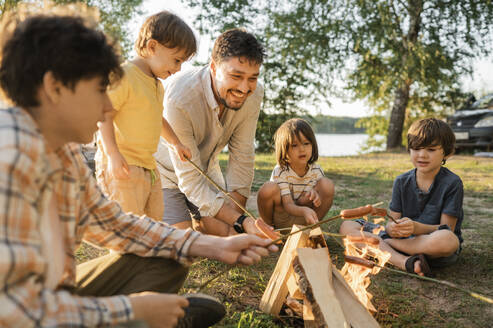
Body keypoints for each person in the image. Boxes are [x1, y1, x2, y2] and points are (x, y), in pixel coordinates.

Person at [0, 13, 277, 328]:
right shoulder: (11, 158)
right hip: (22, 311)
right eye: (99, 89)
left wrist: (215, 245)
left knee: (169, 257)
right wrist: (130, 309)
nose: (108, 108)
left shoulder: (62, 153)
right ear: (55, 87)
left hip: (53, 291)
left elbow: (114, 223)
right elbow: (13, 311)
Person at [155, 28, 266, 236]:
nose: (244, 88)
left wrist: (237, 223)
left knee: (229, 235)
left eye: (253, 78)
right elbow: (189, 180)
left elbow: (242, 154)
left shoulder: (255, 93)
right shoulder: (180, 98)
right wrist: (242, 220)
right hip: (165, 173)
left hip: (206, 172)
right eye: (236, 76)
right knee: (181, 245)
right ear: (214, 68)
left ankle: (203, 222)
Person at [95, 11, 194, 220]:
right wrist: (112, 154)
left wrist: (176, 143)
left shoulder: (157, 85)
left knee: (153, 223)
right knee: (126, 227)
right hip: (122, 167)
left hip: (149, 168)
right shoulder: (125, 76)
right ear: (152, 47)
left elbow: (157, 119)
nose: (179, 69)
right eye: (176, 60)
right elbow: (103, 114)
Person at [340, 118, 463, 277]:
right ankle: (405, 263)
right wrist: (392, 228)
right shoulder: (401, 181)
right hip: (404, 240)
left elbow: (447, 228)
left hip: (431, 245)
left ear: (445, 152)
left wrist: (416, 228)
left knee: (448, 240)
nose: (422, 155)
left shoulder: (452, 183)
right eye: (416, 148)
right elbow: (392, 222)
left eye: (431, 150)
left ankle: (387, 247)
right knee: (347, 226)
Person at [256, 118, 335, 229]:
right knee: (268, 188)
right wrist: (304, 210)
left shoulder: (316, 171)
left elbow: (315, 196)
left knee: (327, 185)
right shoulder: (281, 171)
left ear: (313, 145)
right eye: (294, 145)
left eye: (306, 143)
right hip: (282, 220)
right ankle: (268, 228)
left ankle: (312, 227)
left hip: (305, 218)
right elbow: (288, 205)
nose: (302, 149)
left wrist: (316, 196)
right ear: (284, 149)